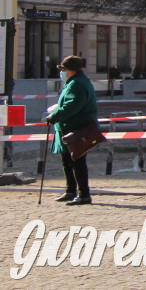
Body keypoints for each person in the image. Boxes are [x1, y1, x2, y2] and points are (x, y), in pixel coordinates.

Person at [46, 56, 98, 205]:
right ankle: (70, 191)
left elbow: (72, 105)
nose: (62, 72)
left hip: (76, 128)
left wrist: (55, 116)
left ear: (71, 70)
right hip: (70, 128)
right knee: (67, 161)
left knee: (77, 162)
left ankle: (83, 194)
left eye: (63, 69)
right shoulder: (75, 82)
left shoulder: (77, 84)